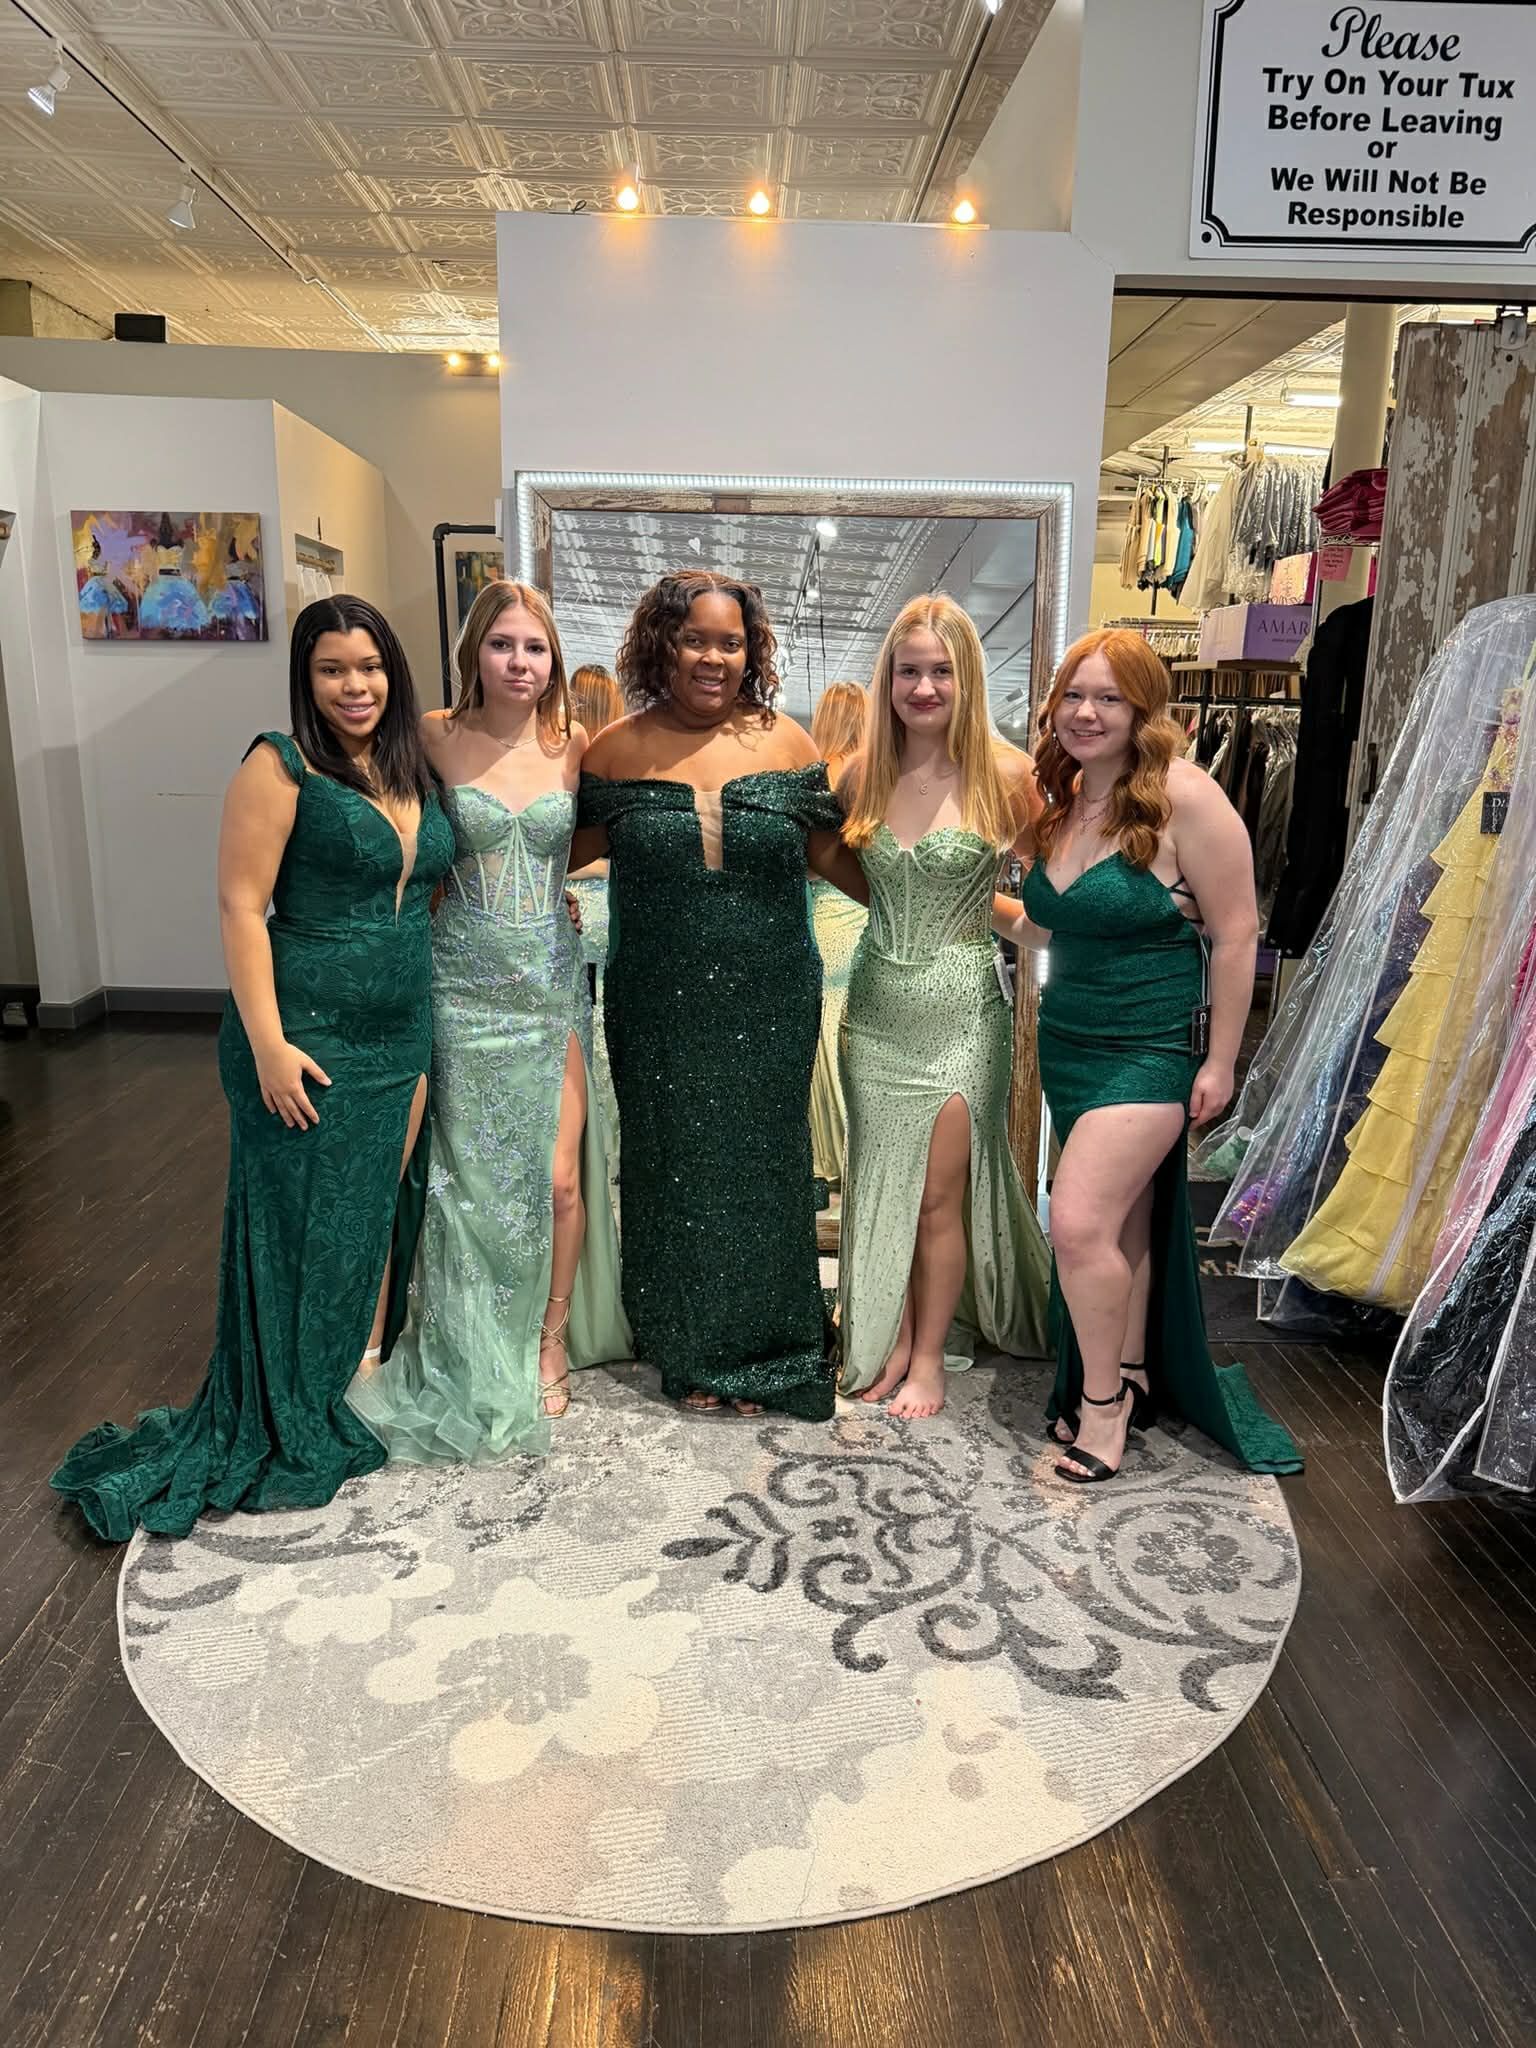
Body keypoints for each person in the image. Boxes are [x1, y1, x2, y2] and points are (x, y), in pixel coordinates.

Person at [51, 597, 454, 1539]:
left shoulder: (404, 766)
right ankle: (279, 1410)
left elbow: (427, 890)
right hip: (303, 1033)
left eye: (370, 667)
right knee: (298, 1229)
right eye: (332, 670)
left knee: (360, 1227)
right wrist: (268, 1044)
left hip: (399, 1032)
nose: (355, 686)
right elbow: (240, 907)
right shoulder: (279, 765)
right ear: (304, 679)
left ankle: (318, 1388)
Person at [999, 629, 1302, 1484]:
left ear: (1143, 710)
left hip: (1152, 1047)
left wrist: (1223, 1062)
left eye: (1110, 698)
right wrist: (958, 903)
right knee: (1120, 1226)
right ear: (1054, 706)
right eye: (1074, 696)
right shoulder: (1060, 807)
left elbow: (1240, 935)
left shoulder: (1187, 798)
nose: (1088, 714)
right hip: (1070, 1042)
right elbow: (1043, 926)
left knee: (1079, 1222)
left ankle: (1103, 1413)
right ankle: (1127, 1367)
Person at [572, 569, 867, 1418]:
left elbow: (831, 858)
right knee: (670, 1169)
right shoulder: (615, 749)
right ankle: (688, 1343)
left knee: (765, 1168)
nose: (712, 656)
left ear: (752, 650)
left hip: (770, 993)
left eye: (729, 641)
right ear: (660, 643)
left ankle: (776, 1341)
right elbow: (555, 847)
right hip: (656, 998)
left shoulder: (790, 745)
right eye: (694, 638)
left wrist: (925, 902)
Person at [348, 583, 629, 1461]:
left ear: (553, 660)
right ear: (475, 651)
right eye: (503, 645)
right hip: (458, 987)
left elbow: (597, 842)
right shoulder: (430, 735)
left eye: (535, 648)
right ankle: (457, 1341)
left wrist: (571, 905)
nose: (520, 662)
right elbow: (399, 833)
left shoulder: (574, 745)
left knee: (558, 1185)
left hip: (549, 987)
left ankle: (549, 1343)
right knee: (463, 1187)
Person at [836, 597, 1050, 1419]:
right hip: (876, 1012)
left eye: (941, 670)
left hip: (965, 1015)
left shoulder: (1009, 775)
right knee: (881, 1182)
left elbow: (1055, 893)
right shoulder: (860, 774)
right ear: (888, 678)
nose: (923, 687)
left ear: (968, 677)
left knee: (937, 1196)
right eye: (908, 669)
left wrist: (1033, 929)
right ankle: (888, 1334)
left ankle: (927, 1357)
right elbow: (839, 869)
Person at [807, 682, 870, 1191]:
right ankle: (856, 1152)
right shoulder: (872, 776)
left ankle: (833, 1152)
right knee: (848, 1031)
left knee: (828, 1031)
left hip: (828, 911)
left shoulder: (822, 773)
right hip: (860, 910)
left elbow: (810, 859)